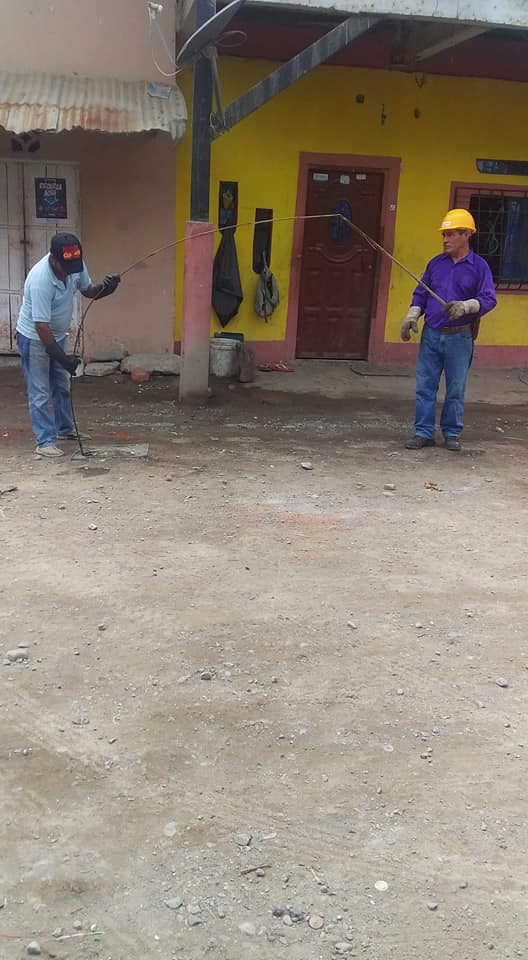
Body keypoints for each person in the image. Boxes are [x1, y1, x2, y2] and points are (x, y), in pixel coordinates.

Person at [401, 209, 497, 452]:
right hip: (431, 334)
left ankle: (452, 433)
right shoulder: (435, 264)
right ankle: (423, 433)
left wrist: (466, 306)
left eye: (451, 234)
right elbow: (421, 293)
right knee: (425, 386)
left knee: (455, 388)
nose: (445, 239)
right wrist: (412, 315)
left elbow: (489, 298)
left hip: (460, 337)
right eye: (444, 235)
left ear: (466, 235)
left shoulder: (480, 267)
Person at [16, 233, 120, 457]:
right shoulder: (41, 281)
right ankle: (44, 441)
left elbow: (88, 290)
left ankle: (64, 429)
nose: (70, 271)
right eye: (65, 267)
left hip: (56, 335)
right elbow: (41, 326)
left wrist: (106, 288)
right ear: (53, 259)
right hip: (34, 338)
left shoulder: (74, 262)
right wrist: (63, 359)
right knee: (40, 391)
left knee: (62, 385)